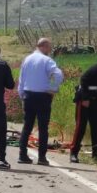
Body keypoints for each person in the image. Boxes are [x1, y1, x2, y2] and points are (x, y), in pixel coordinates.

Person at [16, 38, 64, 166]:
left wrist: (22, 96)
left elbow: (21, 79)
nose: (50, 50)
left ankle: (22, 155)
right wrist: (53, 88)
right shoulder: (47, 60)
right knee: (43, 127)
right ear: (44, 46)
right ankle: (42, 157)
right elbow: (58, 75)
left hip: (28, 95)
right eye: (49, 47)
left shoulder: (27, 59)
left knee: (27, 126)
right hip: (43, 96)